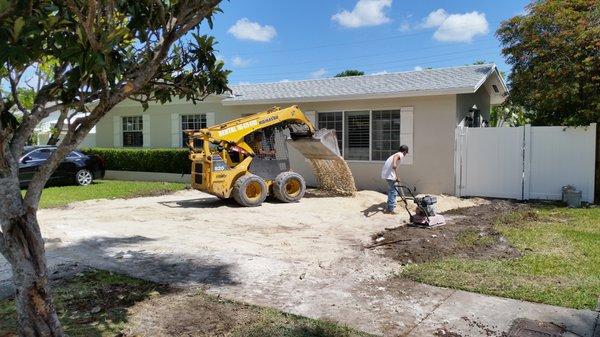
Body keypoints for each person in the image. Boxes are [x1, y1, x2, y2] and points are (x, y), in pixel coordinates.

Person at [380, 145, 409, 214]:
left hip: (388, 174)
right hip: (390, 175)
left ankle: (389, 206)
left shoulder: (394, 154)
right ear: (405, 151)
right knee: (393, 192)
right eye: (406, 153)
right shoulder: (399, 154)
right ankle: (390, 209)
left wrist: (396, 177)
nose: (405, 155)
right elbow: (396, 158)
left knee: (391, 190)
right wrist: (394, 163)